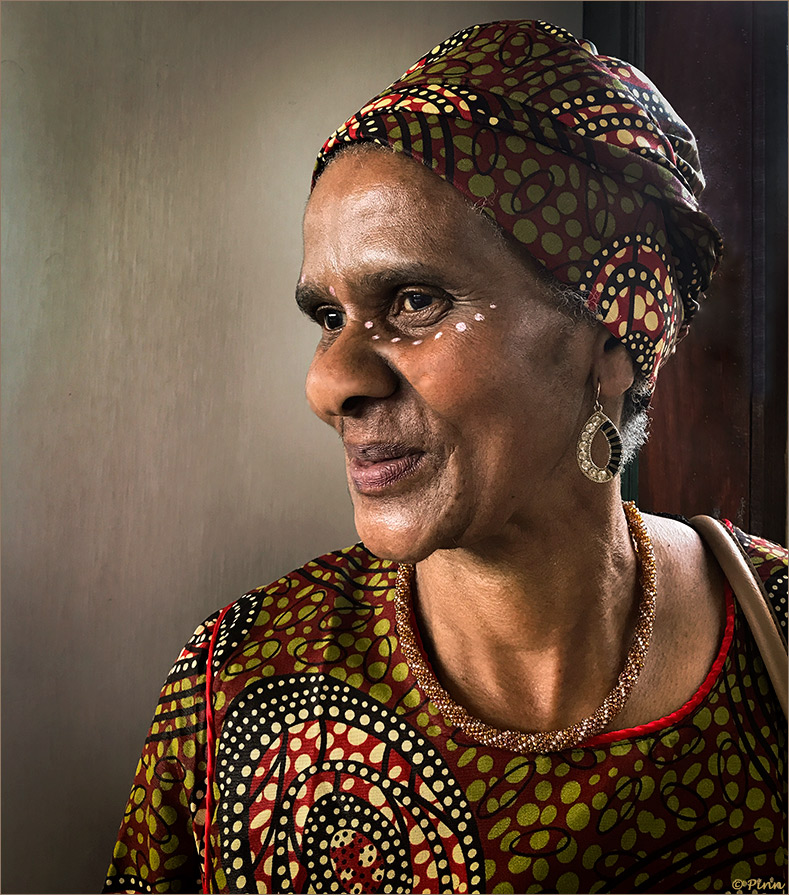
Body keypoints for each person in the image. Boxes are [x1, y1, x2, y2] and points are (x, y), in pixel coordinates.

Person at [104, 20, 786, 895]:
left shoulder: (775, 635)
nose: (330, 382)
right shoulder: (234, 687)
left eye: (416, 300)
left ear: (615, 336)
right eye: (328, 316)